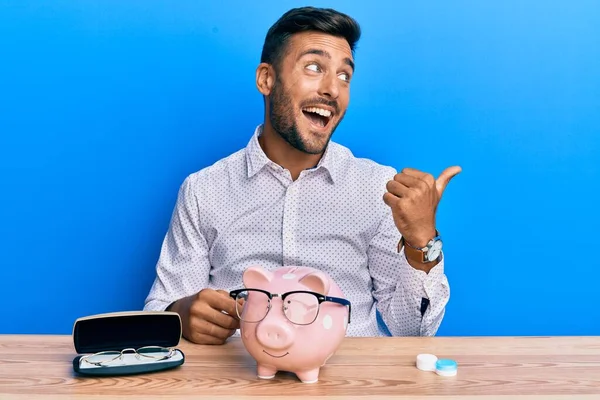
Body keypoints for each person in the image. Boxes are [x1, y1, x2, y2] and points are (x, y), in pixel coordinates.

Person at [143, 6, 461, 345]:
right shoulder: (203, 190)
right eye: (314, 67)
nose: (333, 90)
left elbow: (413, 332)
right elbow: (159, 314)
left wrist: (420, 242)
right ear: (266, 79)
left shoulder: (376, 188)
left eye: (344, 76)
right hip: (239, 377)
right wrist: (181, 313)